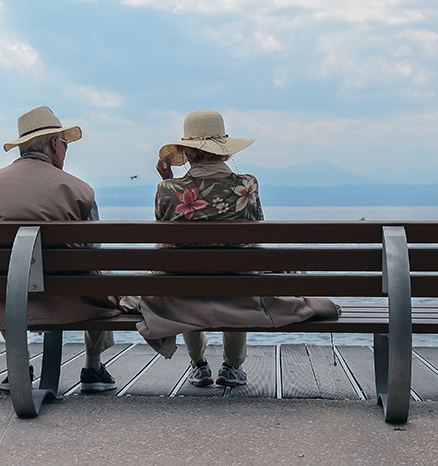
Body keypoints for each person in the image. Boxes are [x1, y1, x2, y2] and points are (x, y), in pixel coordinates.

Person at [137, 109, 340, 388]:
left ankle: (198, 365)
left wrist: (167, 180)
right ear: (224, 150)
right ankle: (232, 366)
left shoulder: (168, 189)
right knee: (240, 275)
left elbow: (165, 236)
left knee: (181, 278)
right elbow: (256, 229)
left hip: (182, 293)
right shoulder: (247, 185)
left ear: (189, 151)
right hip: (239, 291)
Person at [0, 105, 121, 393]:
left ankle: (19, 365)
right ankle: (93, 367)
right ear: (55, 144)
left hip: (0, 299)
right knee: (99, 275)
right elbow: (94, 253)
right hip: (72, 300)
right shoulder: (80, 190)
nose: (66, 152)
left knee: (2, 275)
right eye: (66, 145)